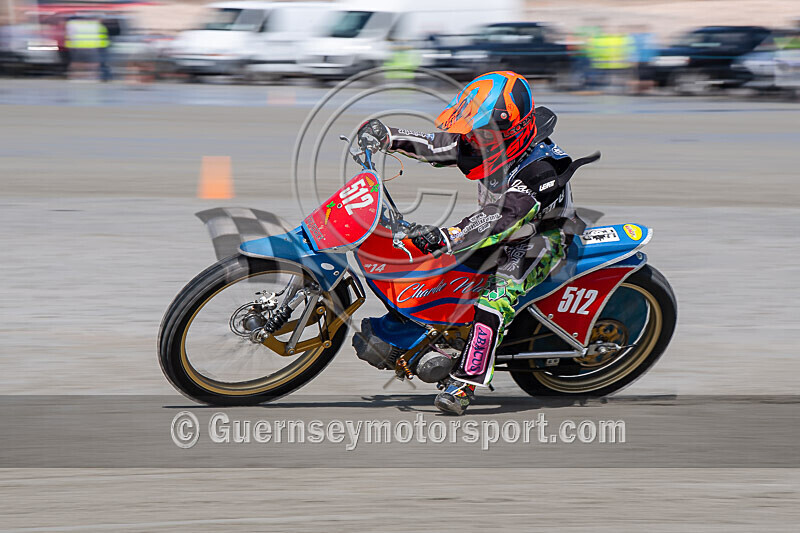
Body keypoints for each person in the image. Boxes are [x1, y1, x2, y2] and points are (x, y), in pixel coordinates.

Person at [357, 71, 593, 415]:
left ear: (506, 131)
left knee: (494, 300)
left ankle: (465, 384)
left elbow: (503, 216)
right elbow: (437, 145)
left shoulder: (540, 170)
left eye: (478, 133)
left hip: (540, 240)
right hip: (500, 228)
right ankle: (432, 332)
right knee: (432, 269)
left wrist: (448, 235)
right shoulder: (486, 142)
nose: (469, 140)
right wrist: (387, 136)